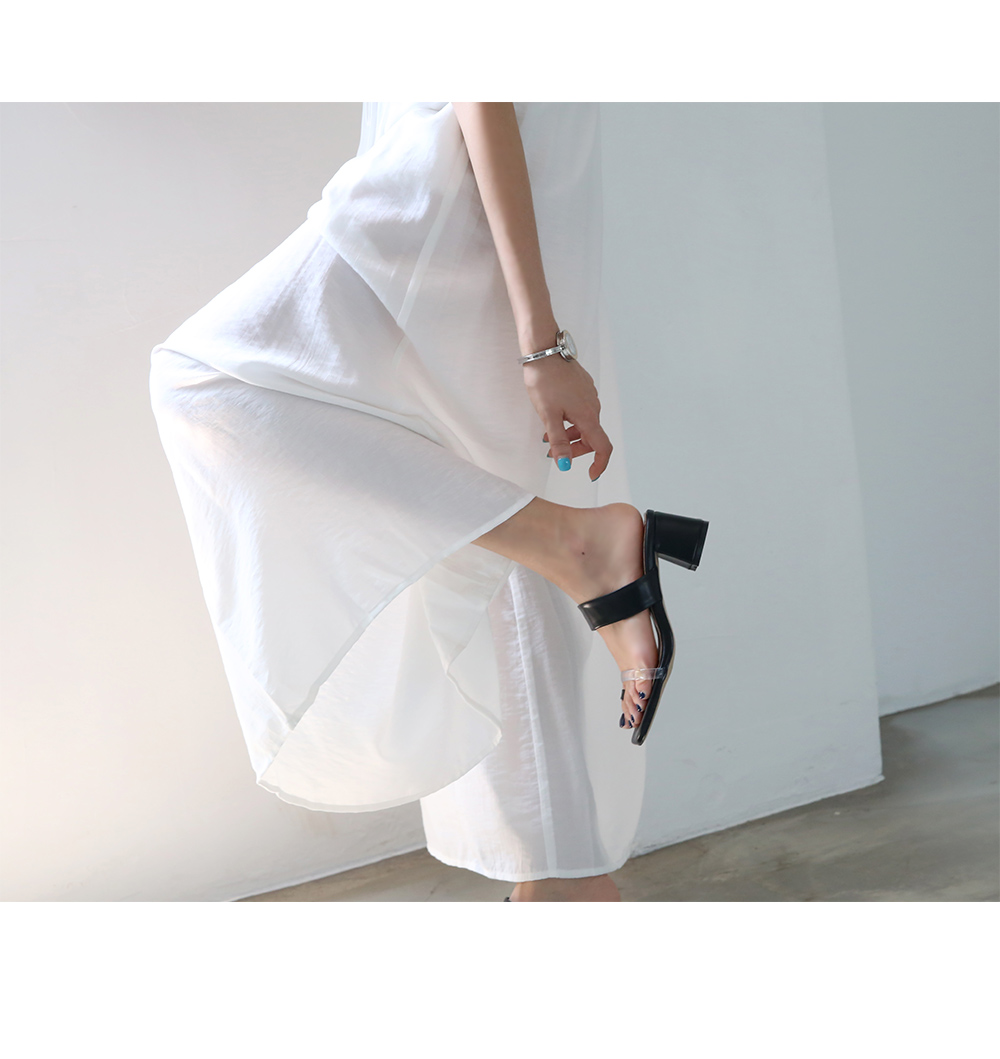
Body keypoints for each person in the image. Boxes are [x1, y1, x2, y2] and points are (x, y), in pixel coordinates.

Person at [149, 102, 707, 902]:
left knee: (204, 385)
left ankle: (563, 872)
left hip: (454, 199)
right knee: (486, 530)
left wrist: (540, 342)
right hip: (475, 194)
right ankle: (561, 872)